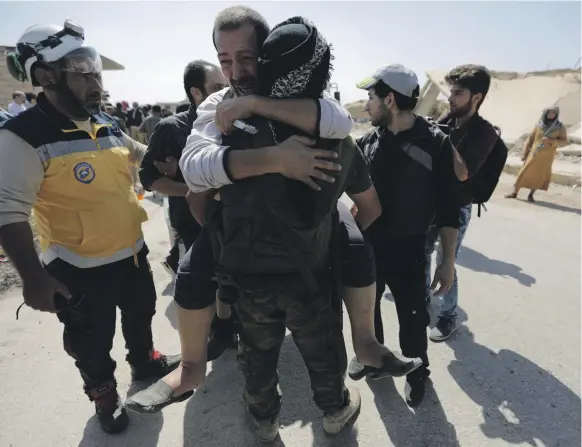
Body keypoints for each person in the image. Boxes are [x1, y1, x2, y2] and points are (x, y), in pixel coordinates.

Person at [127, 9, 369, 442]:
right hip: (266, 265)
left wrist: (256, 106)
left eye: (247, 58)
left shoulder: (302, 107)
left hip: (291, 268)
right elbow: (193, 169)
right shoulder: (219, 106)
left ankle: (354, 358)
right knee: (202, 286)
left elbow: (340, 120)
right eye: (224, 61)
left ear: (270, 55)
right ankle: (195, 369)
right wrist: (275, 159)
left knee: (293, 343)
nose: (236, 72)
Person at [0, 20, 180, 434]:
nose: (95, 78)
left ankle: (144, 361)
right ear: (46, 76)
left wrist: (166, 157)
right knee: (90, 340)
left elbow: (134, 154)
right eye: (82, 68)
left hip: (130, 253)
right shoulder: (23, 135)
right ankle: (103, 392)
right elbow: (9, 212)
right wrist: (33, 279)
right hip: (78, 266)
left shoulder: (103, 120)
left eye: (95, 67)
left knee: (140, 314)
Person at [354, 64, 461, 407]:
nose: (365, 105)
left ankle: (417, 374)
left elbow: (449, 209)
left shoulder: (436, 144)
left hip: (412, 250)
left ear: (390, 99)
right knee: (369, 312)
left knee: (413, 318)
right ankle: (377, 361)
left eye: (370, 97)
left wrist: (448, 263)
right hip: (370, 250)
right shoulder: (367, 141)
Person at [139, 60, 235, 360]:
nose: (226, 93)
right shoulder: (172, 129)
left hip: (230, 223)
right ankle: (209, 340)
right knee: (202, 283)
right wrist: (192, 188)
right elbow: (149, 178)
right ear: (196, 93)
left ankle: (230, 328)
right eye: (217, 88)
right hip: (192, 225)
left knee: (231, 280)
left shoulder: (230, 121)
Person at [425, 64, 499, 342]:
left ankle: (448, 315)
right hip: (431, 202)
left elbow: (463, 172)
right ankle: (423, 300)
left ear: (476, 97)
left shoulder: (484, 132)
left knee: (446, 261)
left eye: (458, 93)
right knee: (422, 253)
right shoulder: (448, 119)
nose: (450, 98)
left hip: (456, 208)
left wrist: (440, 137)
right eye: (450, 92)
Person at [505, 106, 568, 202]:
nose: (551, 115)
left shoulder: (560, 127)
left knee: (539, 176)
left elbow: (564, 142)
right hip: (534, 153)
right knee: (524, 172)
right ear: (545, 114)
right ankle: (515, 192)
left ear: (556, 114)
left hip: (547, 156)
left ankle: (531, 195)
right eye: (549, 113)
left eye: (553, 113)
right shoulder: (539, 125)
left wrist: (551, 141)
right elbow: (530, 139)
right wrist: (525, 153)